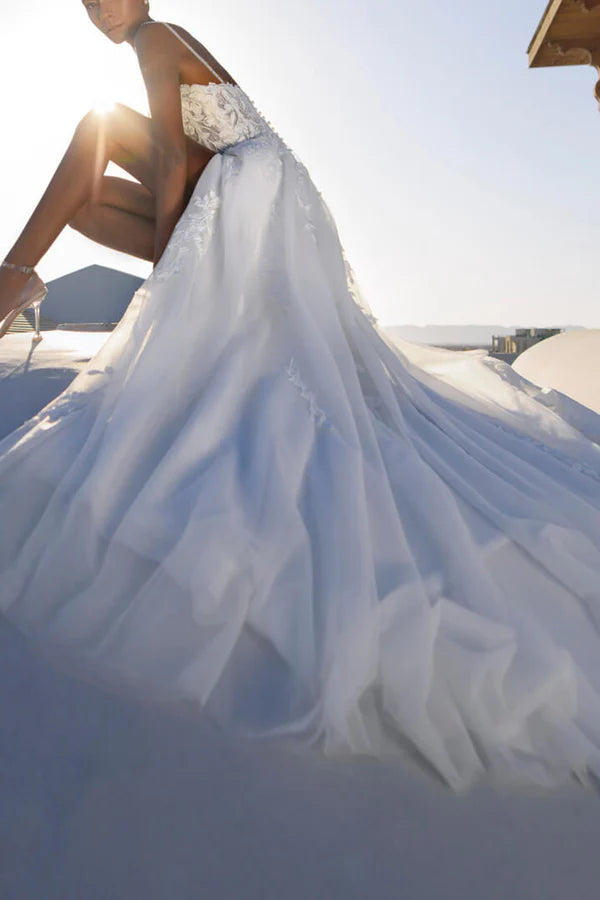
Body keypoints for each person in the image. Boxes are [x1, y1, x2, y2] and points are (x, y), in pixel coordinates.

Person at [1, 2, 600, 794]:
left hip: (251, 191)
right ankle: (18, 278)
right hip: (260, 193)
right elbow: (175, 157)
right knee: (85, 182)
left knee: (93, 133)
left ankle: (11, 279)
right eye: (84, 0)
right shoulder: (156, 40)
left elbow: (174, 158)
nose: (99, 9)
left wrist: (172, 284)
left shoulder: (155, 37)